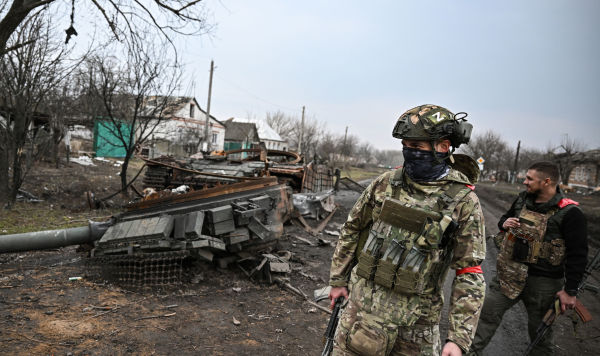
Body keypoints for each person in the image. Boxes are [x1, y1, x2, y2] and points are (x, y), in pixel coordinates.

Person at [328, 104, 486, 356]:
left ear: (443, 147)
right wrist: (338, 280)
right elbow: (352, 229)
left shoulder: (463, 201)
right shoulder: (385, 184)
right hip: (362, 312)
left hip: (416, 327)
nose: (409, 152)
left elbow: (470, 272)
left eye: (417, 146)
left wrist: (458, 338)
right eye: (406, 145)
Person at [468, 161, 588, 355]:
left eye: (530, 179)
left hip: (544, 285)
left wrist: (570, 291)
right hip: (509, 275)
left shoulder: (570, 213)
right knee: (485, 318)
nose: (525, 182)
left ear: (547, 181)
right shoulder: (523, 200)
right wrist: (504, 223)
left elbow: (578, 255)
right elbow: (503, 220)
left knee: (540, 336)